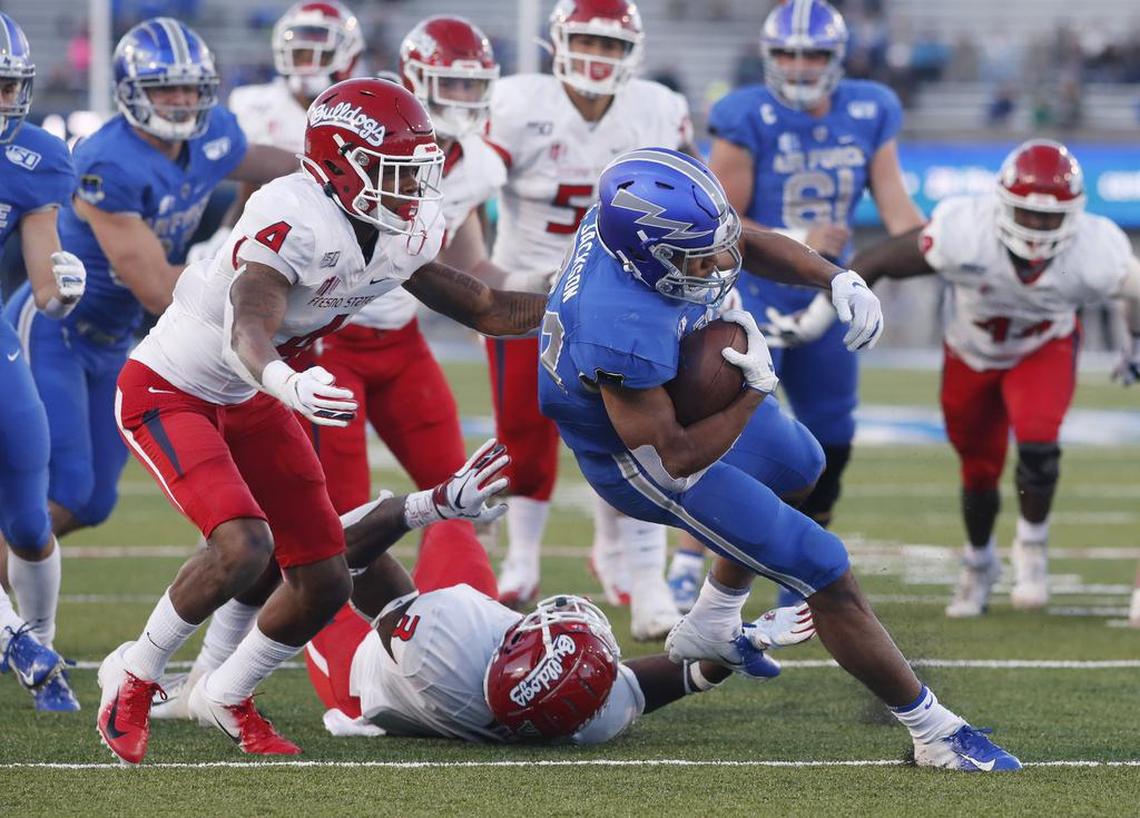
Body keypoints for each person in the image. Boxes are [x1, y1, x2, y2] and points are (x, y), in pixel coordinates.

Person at [95, 77, 548, 766]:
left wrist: (577, 311)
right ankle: (135, 680)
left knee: (328, 573)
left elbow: (483, 306)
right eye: (394, 173)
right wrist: (285, 378)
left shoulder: (401, 229)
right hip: (175, 388)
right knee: (245, 547)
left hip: (259, 396)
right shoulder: (293, 212)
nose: (409, 190)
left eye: (415, 174)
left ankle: (229, 694)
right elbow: (249, 321)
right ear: (340, 164)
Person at [538, 146, 1020, 772]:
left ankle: (714, 616)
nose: (718, 263)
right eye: (695, 255)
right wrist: (752, 395)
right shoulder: (615, 322)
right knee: (825, 568)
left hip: (672, 396)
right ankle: (934, 730)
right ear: (644, 257)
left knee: (801, 465)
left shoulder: (637, 230)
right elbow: (677, 457)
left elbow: (746, 240)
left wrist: (835, 276)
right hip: (640, 459)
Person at [153, 13, 511, 716]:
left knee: (456, 501)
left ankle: (479, 642)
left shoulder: (475, 163)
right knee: (328, 533)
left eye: (475, 84)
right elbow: (258, 229)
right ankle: (342, 688)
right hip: (322, 344)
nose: (464, 98)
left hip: (401, 342)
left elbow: (476, 283)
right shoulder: (336, 149)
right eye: (449, 83)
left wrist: (563, 299)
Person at [667, 0, 926, 610]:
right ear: (768, 56)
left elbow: (898, 213)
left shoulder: (871, 109)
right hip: (750, 287)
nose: (799, 64)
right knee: (743, 434)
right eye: (787, 52)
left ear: (838, 58)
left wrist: (940, 245)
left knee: (832, 434)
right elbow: (720, 221)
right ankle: (689, 556)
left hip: (827, 291)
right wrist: (800, 238)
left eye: (812, 53)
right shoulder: (744, 112)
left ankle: (802, 566)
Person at [3, 17, 298, 555]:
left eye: (191, 88)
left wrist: (332, 179)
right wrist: (250, 266)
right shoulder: (107, 162)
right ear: (131, 93)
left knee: (93, 504)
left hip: (114, 338)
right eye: (166, 89)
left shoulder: (214, 135)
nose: (182, 101)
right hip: (58, 327)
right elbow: (158, 291)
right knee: (64, 491)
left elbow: (278, 167)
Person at [304, 469, 815, 744]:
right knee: (457, 534)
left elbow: (345, 555)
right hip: (456, 661)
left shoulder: (441, 640)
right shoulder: (584, 717)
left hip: (369, 683)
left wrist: (426, 506)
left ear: (513, 641)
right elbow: (669, 680)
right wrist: (739, 644)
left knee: (309, 571)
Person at [850, 139, 1140, 617]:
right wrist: (826, 311)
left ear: (1074, 213)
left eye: (1050, 216)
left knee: (1039, 443)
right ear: (1002, 204)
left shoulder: (1095, 248)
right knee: (979, 469)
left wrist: (1132, 341)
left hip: (1042, 348)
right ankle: (979, 564)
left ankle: (1032, 550)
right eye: (1028, 214)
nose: (1039, 227)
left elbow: (1133, 287)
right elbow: (880, 259)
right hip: (971, 353)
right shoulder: (965, 229)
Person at [488, 0, 694, 640]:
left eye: (610, 45)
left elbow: (692, 195)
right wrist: (488, 283)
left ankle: (643, 574)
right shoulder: (519, 104)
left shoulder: (655, 108)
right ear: (558, 44)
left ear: (630, 53)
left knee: (639, 429)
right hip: (528, 287)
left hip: (621, 295)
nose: (598, 57)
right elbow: (465, 187)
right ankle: (521, 559)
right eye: (587, 42)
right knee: (523, 427)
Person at [0, 12, 86, 710]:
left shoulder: (34, 157)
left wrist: (61, 297)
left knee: (29, 519)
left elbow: (43, 274)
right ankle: (14, 643)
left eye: (8, 86)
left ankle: (40, 638)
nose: (2, 101)